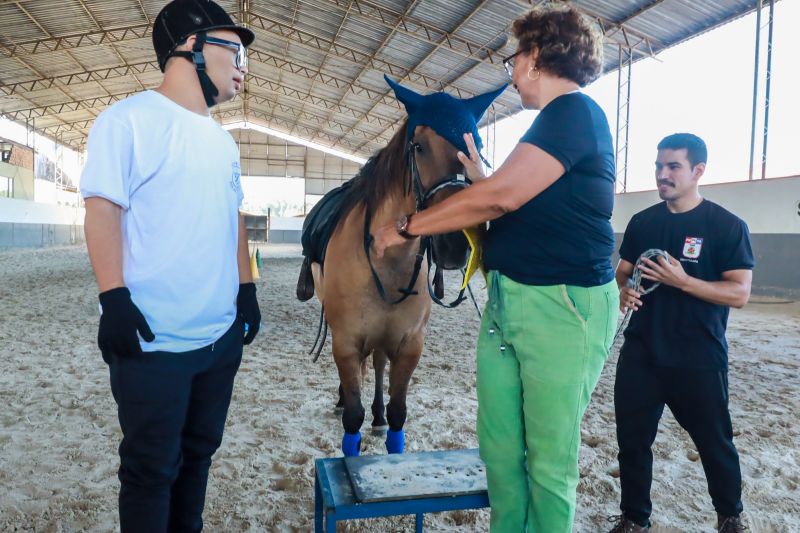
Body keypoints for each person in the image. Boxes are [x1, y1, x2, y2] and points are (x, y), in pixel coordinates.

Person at [373, 6, 618, 531]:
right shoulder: (549, 126)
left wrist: (407, 227)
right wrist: (480, 176)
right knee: (501, 451)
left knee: (549, 462)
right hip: (510, 301)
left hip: (562, 306)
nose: (511, 73)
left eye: (513, 59)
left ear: (533, 58)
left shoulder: (573, 113)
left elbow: (503, 199)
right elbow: (516, 195)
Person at [80, 1, 260, 531]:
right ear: (191, 46)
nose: (243, 66)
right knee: (151, 471)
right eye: (236, 50)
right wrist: (113, 297)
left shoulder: (224, 143)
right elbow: (102, 209)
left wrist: (246, 290)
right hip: (153, 342)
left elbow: (236, 221)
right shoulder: (128, 120)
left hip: (218, 340)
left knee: (199, 458)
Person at [609, 133, 754, 533]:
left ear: (698, 171)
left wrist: (683, 280)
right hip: (642, 352)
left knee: (714, 443)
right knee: (633, 444)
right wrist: (622, 292)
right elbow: (621, 273)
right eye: (659, 166)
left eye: (673, 166)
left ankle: (730, 516)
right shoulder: (643, 222)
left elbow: (739, 293)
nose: (662, 174)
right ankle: (634, 519)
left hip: (699, 357)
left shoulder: (726, 226)